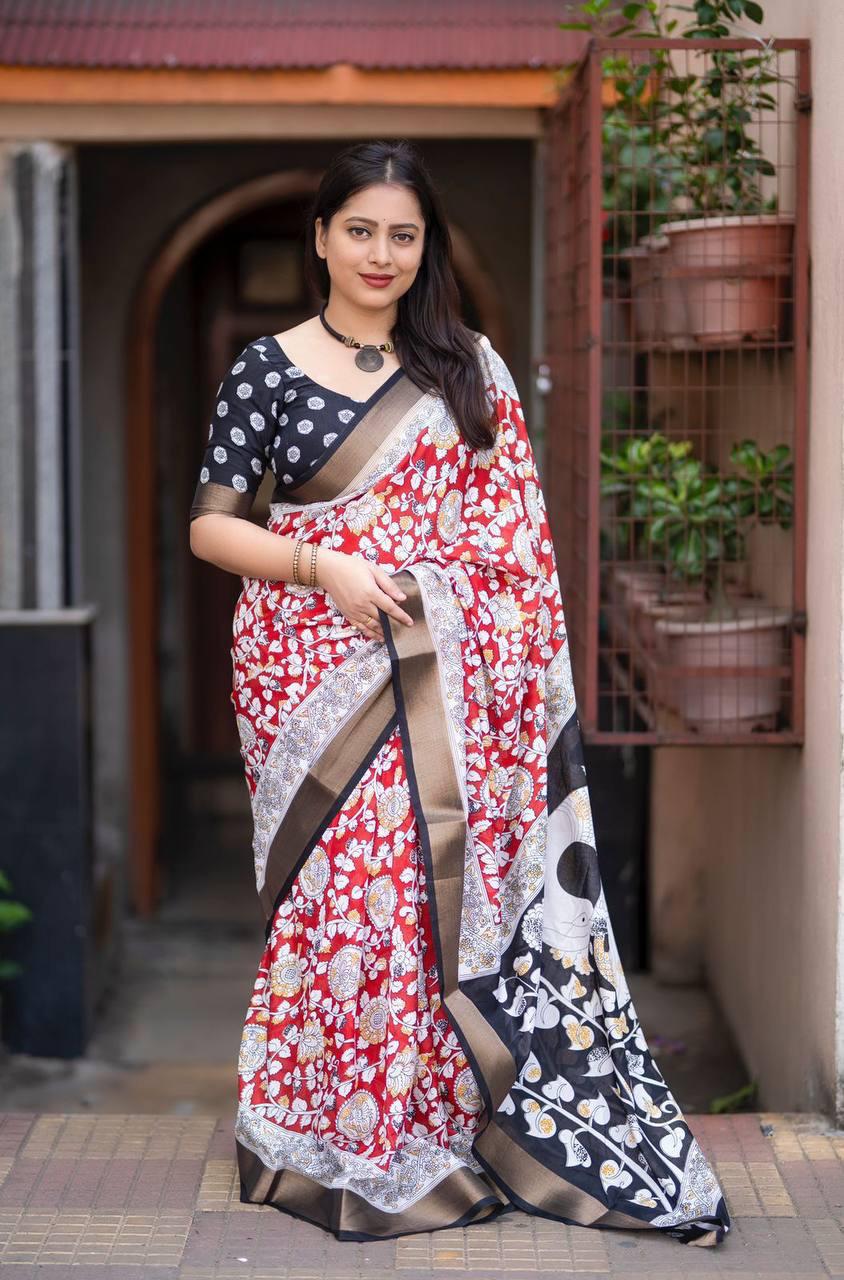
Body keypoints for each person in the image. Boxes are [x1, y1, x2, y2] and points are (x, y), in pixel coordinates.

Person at [189, 138, 730, 1246]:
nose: (380, 254)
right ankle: (319, 1125)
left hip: (450, 685)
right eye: (360, 230)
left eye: (403, 234)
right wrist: (322, 566)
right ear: (321, 236)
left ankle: (423, 1127)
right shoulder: (266, 368)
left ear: (423, 246)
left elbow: (510, 549)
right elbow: (211, 525)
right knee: (341, 909)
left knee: (414, 901)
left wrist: (430, 599)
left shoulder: (464, 369)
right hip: (311, 683)